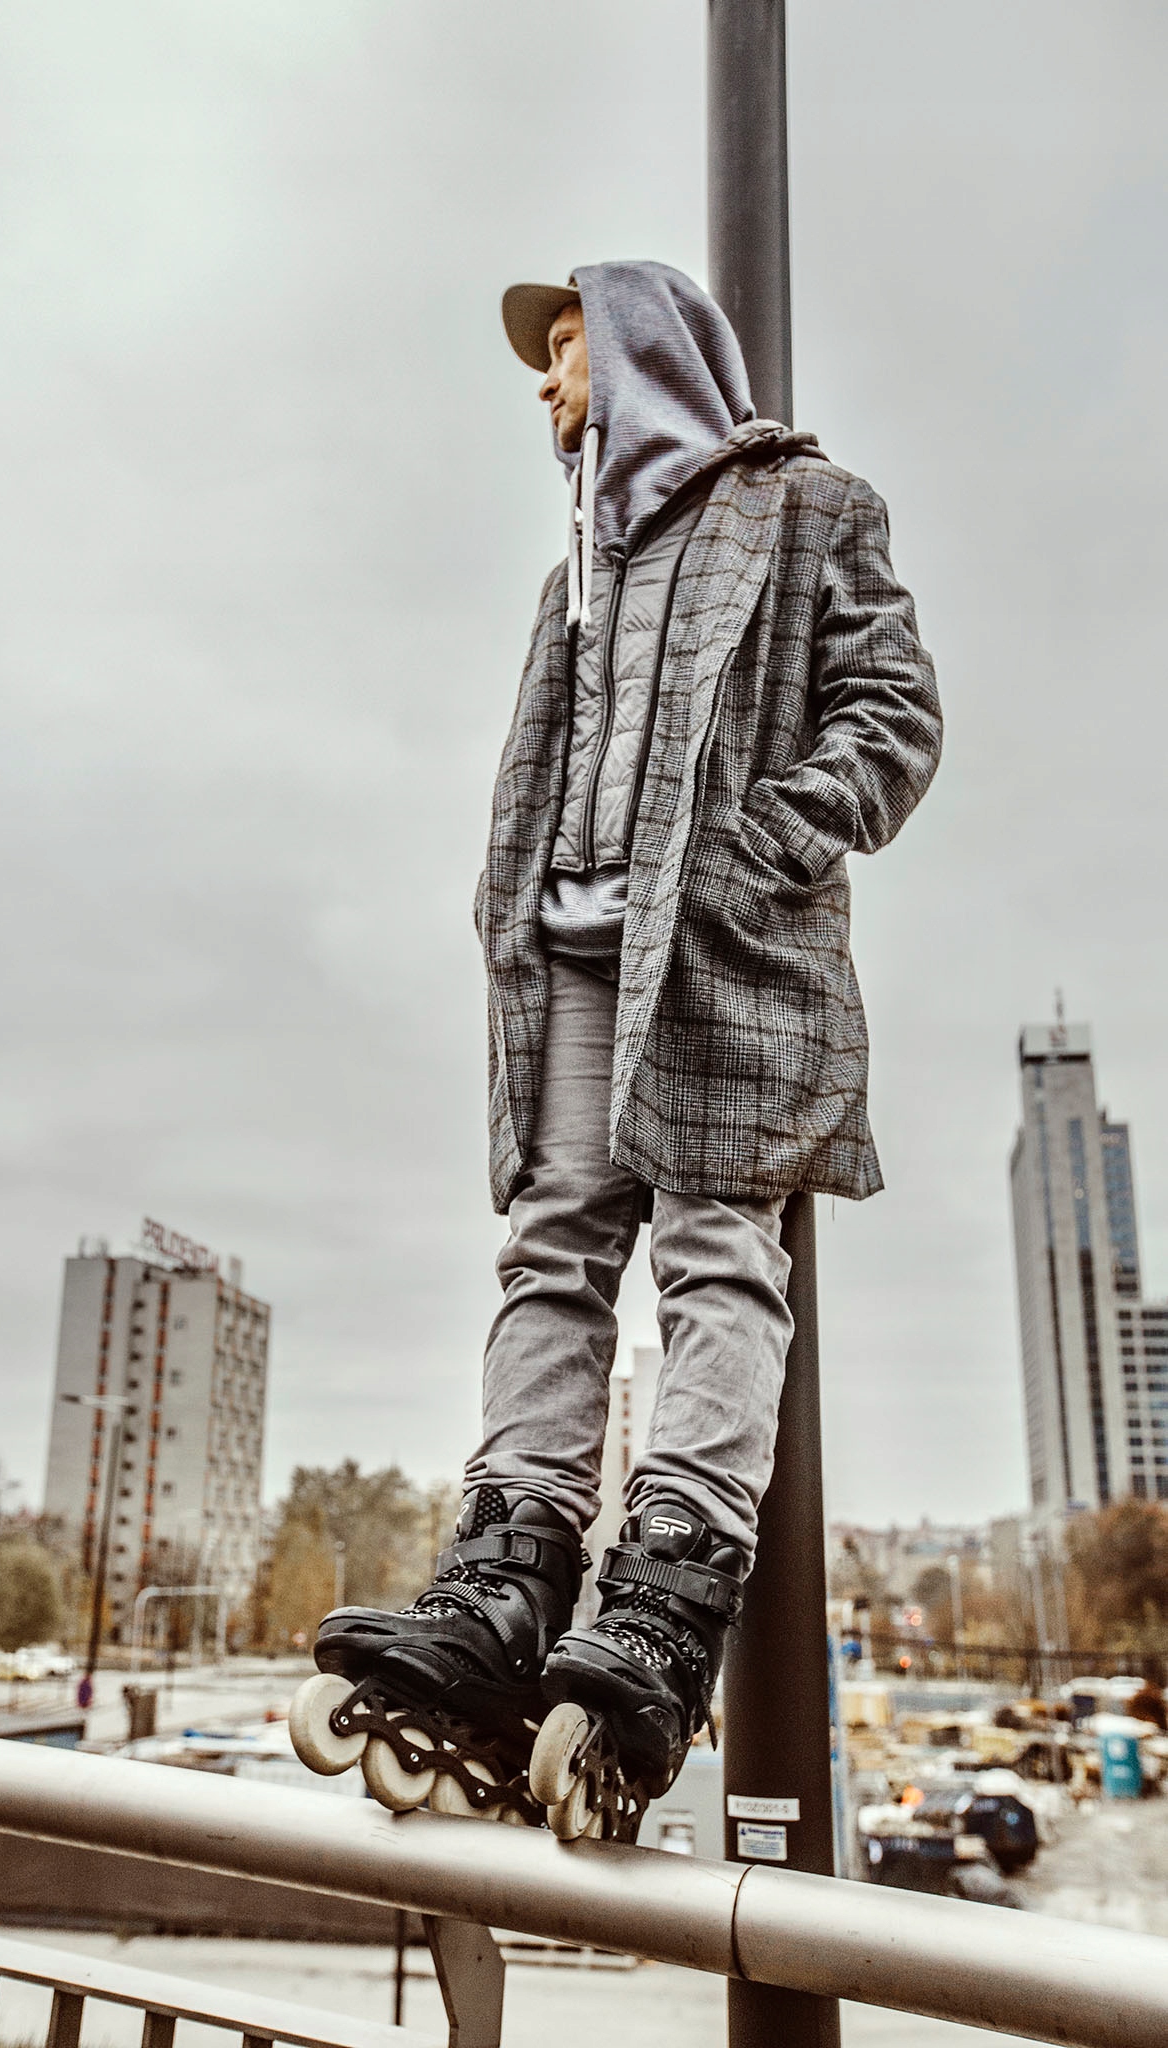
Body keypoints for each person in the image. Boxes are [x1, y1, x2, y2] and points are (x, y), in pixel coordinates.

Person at [292, 261, 941, 1836]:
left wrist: (761, 846)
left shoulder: (807, 509)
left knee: (717, 1252)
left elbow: (891, 711)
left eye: (566, 349)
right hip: (572, 962)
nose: (546, 382)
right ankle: (505, 1577)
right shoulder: (576, 565)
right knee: (550, 1249)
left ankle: (663, 1594)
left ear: (641, 350)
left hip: (723, 951)